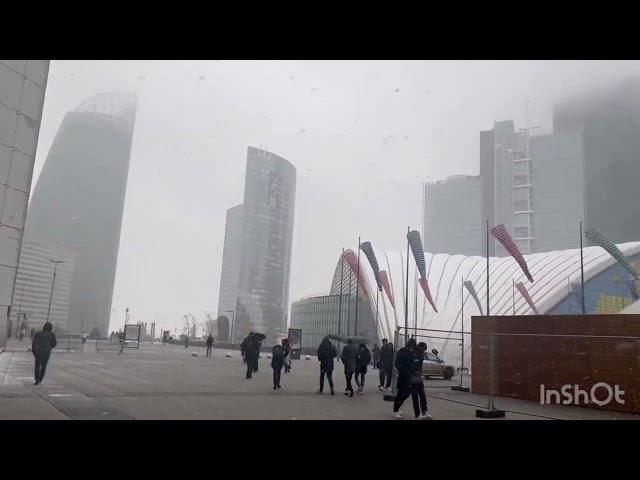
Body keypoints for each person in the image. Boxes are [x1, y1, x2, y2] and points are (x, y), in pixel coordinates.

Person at [392, 339, 432, 419]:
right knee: (403, 395)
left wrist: (417, 373)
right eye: (412, 345)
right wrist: (405, 372)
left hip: (415, 377)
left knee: (419, 394)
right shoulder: (404, 352)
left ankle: (424, 412)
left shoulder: (418, 354)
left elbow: (417, 365)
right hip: (405, 377)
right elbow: (399, 364)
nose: (413, 347)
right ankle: (396, 410)